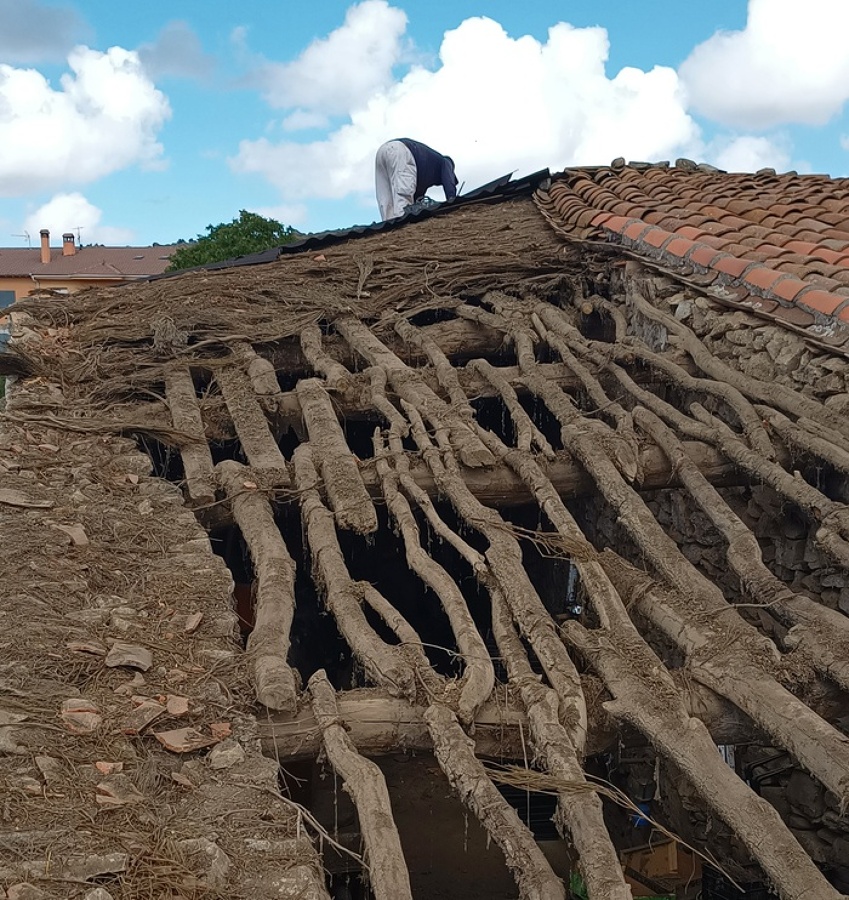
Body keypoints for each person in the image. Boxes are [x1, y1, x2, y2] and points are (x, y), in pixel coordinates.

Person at [375, 138, 458, 220]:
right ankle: (404, 225)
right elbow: (449, 181)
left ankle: (390, 225)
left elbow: (417, 198)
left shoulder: (426, 172)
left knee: (386, 203)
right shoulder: (445, 161)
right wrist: (452, 201)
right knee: (403, 203)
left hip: (381, 152)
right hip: (401, 152)